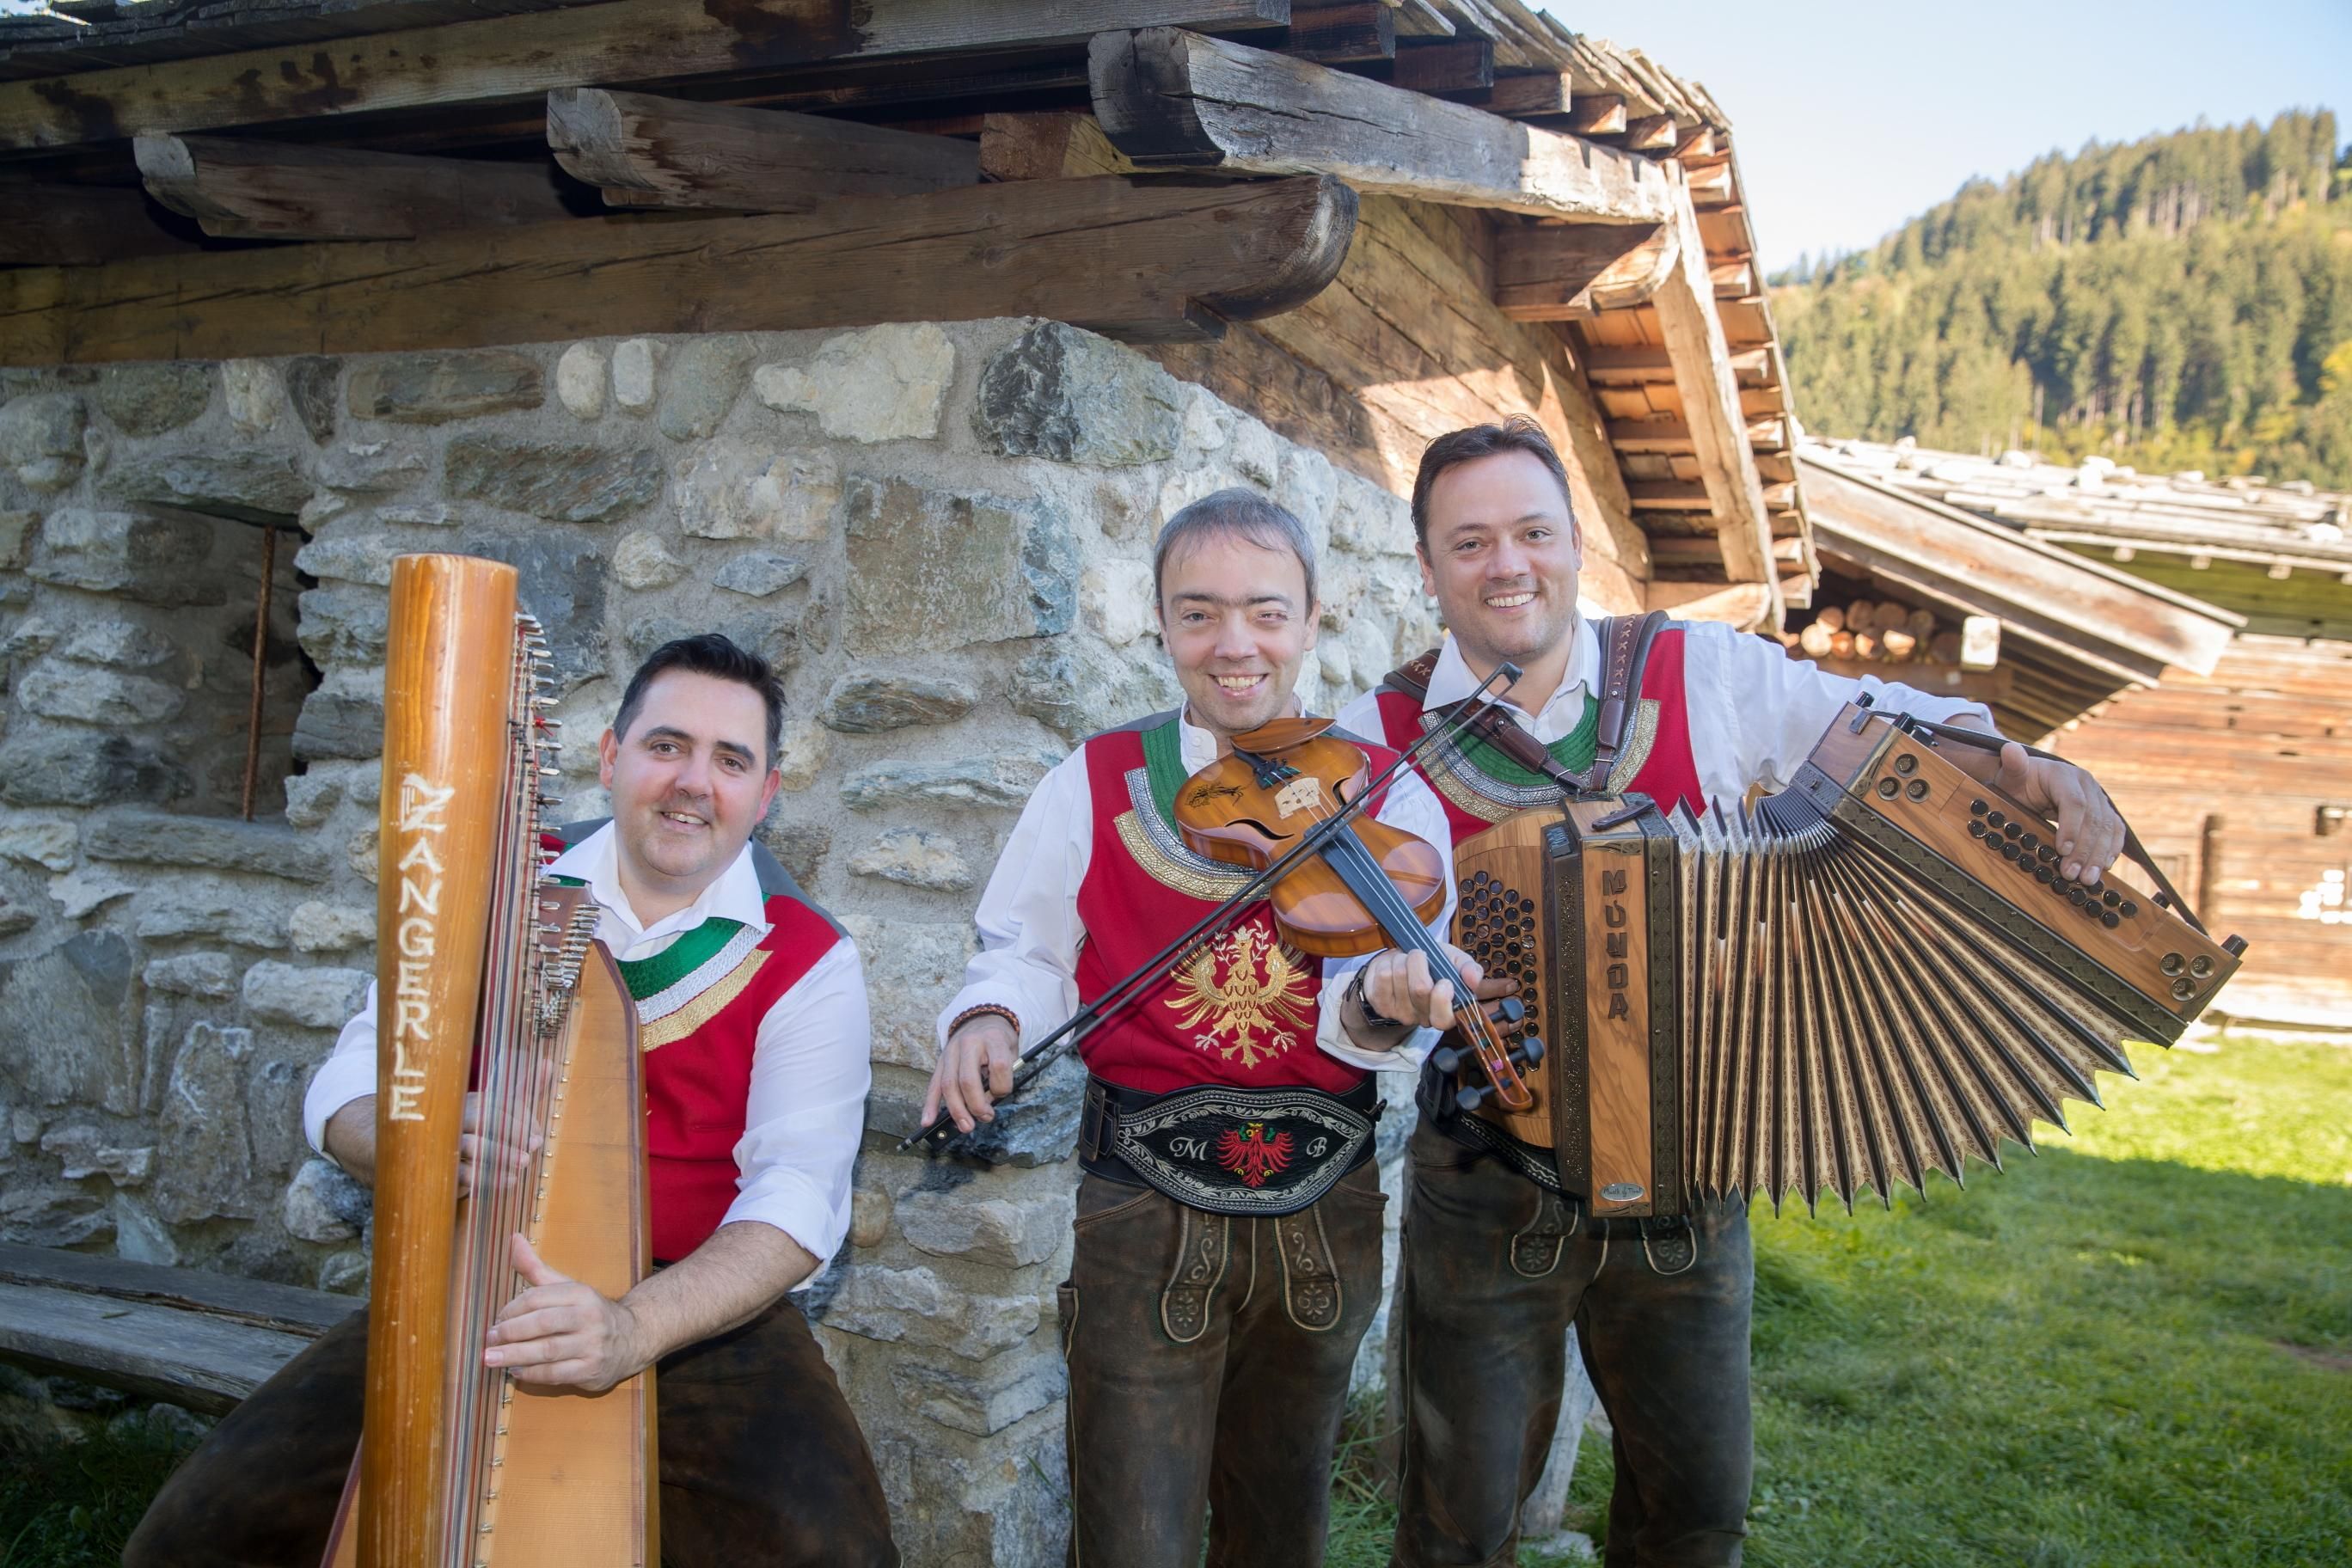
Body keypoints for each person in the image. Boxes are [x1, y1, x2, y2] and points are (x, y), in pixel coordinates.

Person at [1332, 418, 2125, 1568]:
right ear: (1427, 567)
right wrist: (1385, 997)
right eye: (1471, 542)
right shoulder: (1377, 741)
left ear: (1574, 544)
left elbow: (1874, 729)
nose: (1509, 564)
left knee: (1698, 1513)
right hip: (1488, 1178)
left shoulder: (1696, 670)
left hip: (1693, 1172)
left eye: (1534, 532)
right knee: (1457, 1525)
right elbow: (1344, 992)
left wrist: (2017, 760)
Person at [126, 634, 898, 1568]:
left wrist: (630, 1327)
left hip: (699, 1309)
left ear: (766, 794)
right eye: (666, 746)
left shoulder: (810, 958)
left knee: (826, 1549)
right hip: (472, 1277)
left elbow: (798, 1198)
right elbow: (348, 1085)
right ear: (610, 757)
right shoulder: (492, 890)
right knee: (199, 1534)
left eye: (730, 761)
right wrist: (418, 1139)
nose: (694, 783)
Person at [923, 489, 1479, 1568]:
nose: (1235, 645)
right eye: (1199, 613)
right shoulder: (1095, 778)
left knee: (1283, 1529)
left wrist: (1388, 998)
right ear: (1162, 623)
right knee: (1135, 1536)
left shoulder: (1388, 794)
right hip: (1142, 1204)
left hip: (1324, 1206)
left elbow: (1366, 1010)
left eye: (1266, 612)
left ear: (1311, 618)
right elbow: (1025, 948)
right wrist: (988, 1016)